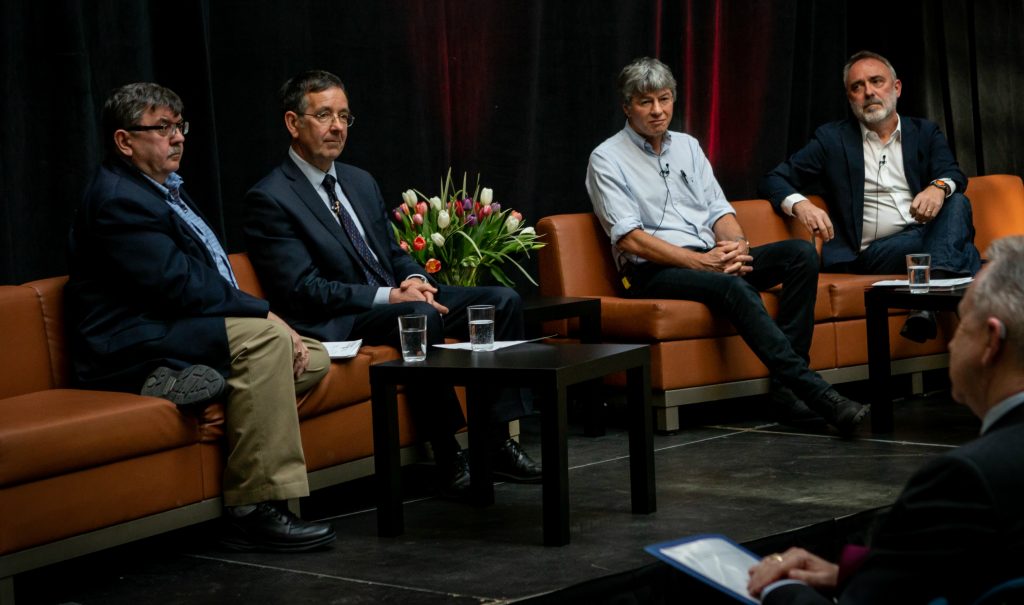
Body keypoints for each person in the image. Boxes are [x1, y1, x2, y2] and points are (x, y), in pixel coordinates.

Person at [241, 70, 541, 496]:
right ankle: (446, 451)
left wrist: (415, 277)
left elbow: (393, 253)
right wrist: (390, 296)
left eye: (344, 116)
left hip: (396, 297)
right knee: (416, 316)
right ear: (293, 123)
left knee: (502, 300)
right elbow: (303, 288)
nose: (337, 127)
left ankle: (494, 440)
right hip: (341, 316)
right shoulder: (270, 197)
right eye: (324, 115)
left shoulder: (359, 181)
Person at [66, 82, 336, 552]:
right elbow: (178, 284)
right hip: (132, 340)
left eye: (180, 126)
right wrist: (264, 313)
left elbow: (197, 276)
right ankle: (254, 507)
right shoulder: (118, 200)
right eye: (162, 128)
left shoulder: (162, 188)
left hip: (175, 329)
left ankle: (178, 381)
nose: (178, 138)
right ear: (124, 141)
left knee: (312, 356)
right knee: (269, 346)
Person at [585, 57, 869, 435]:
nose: (657, 111)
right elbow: (630, 238)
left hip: (708, 258)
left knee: (799, 255)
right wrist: (700, 264)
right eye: (645, 102)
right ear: (626, 106)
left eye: (665, 99)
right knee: (732, 285)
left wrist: (737, 245)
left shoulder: (687, 146)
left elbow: (720, 210)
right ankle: (818, 394)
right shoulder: (607, 158)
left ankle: (786, 391)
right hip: (651, 271)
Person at [748, 235, 1024, 604]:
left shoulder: (963, 479)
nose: (952, 344)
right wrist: (844, 574)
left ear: (991, 341)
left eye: (960, 326)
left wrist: (780, 590)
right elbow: (980, 566)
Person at [759, 50, 981, 343]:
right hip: (875, 251)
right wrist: (801, 205)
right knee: (966, 249)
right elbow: (773, 179)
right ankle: (942, 310)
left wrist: (936, 188)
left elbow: (952, 173)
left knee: (956, 201)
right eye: (857, 87)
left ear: (897, 88)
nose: (868, 92)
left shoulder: (924, 131)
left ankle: (924, 305)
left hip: (925, 240)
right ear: (850, 98)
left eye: (877, 81)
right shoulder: (832, 139)